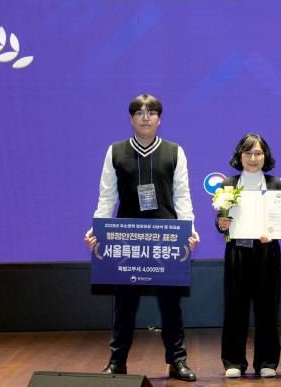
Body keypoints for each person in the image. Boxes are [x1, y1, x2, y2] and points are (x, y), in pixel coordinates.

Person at [85, 94, 200, 382]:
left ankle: (177, 361)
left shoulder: (175, 151)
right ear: (131, 118)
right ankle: (117, 362)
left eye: (151, 112)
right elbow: (106, 196)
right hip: (127, 240)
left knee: (170, 305)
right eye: (139, 112)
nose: (145, 117)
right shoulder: (115, 151)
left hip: (166, 239)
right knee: (124, 305)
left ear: (160, 119)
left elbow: (182, 196)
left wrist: (189, 231)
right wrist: (98, 229)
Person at [215, 133, 281, 378]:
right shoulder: (228, 184)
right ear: (239, 156)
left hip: (266, 253)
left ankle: (267, 361)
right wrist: (221, 223)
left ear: (265, 156)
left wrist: (275, 232)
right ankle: (234, 361)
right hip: (237, 252)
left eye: (258, 153)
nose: (253, 158)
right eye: (248, 153)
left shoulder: (275, 183)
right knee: (235, 307)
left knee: (267, 308)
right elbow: (221, 221)